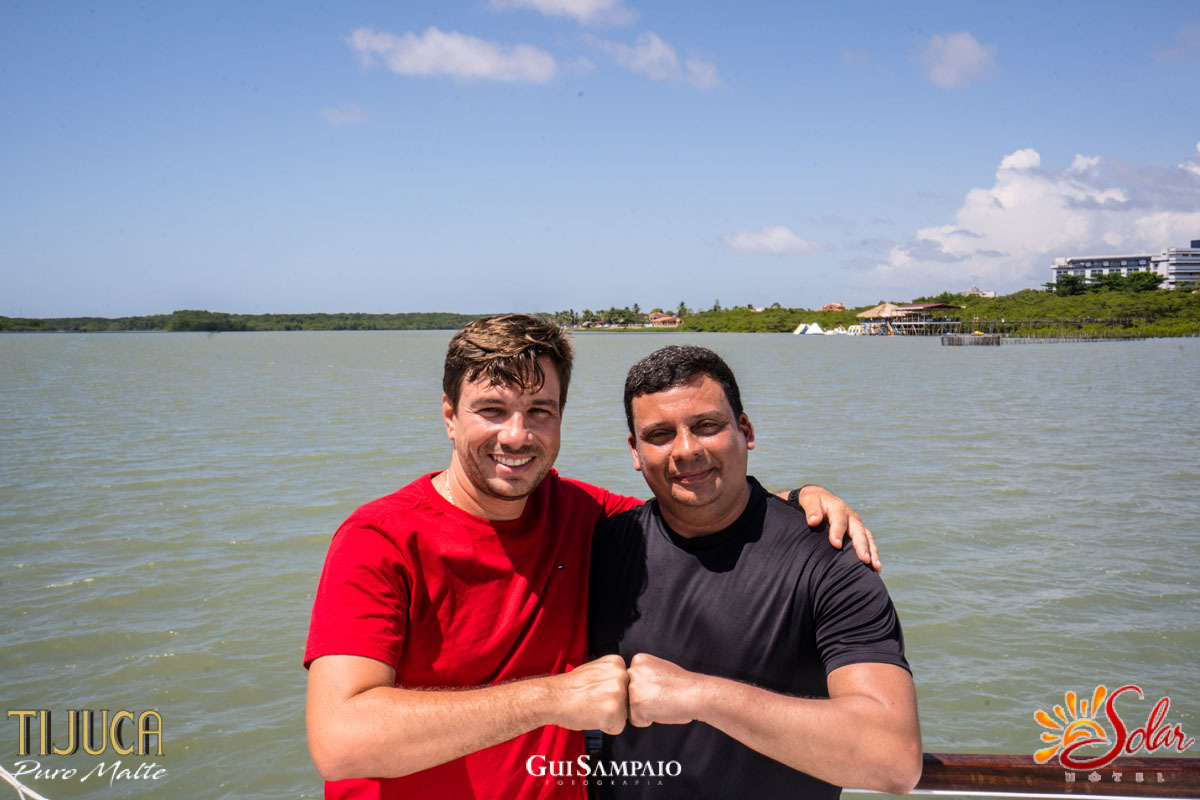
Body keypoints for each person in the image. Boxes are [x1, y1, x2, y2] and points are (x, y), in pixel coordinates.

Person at [304, 315, 878, 799]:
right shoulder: (380, 539)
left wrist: (796, 501)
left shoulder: (581, 512)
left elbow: (693, 501)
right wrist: (551, 699)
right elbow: (341, 740)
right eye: (491, 410)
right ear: (450, 416)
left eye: (540, 410)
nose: (517, 435)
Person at [589, 345, 921, 798]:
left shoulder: (828, 559)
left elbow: (893, 760)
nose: (686, 450)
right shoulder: (599, 550)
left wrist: (701, 696)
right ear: (635, 450)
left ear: (745, 430)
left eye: (706, 426)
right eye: (660, 434)